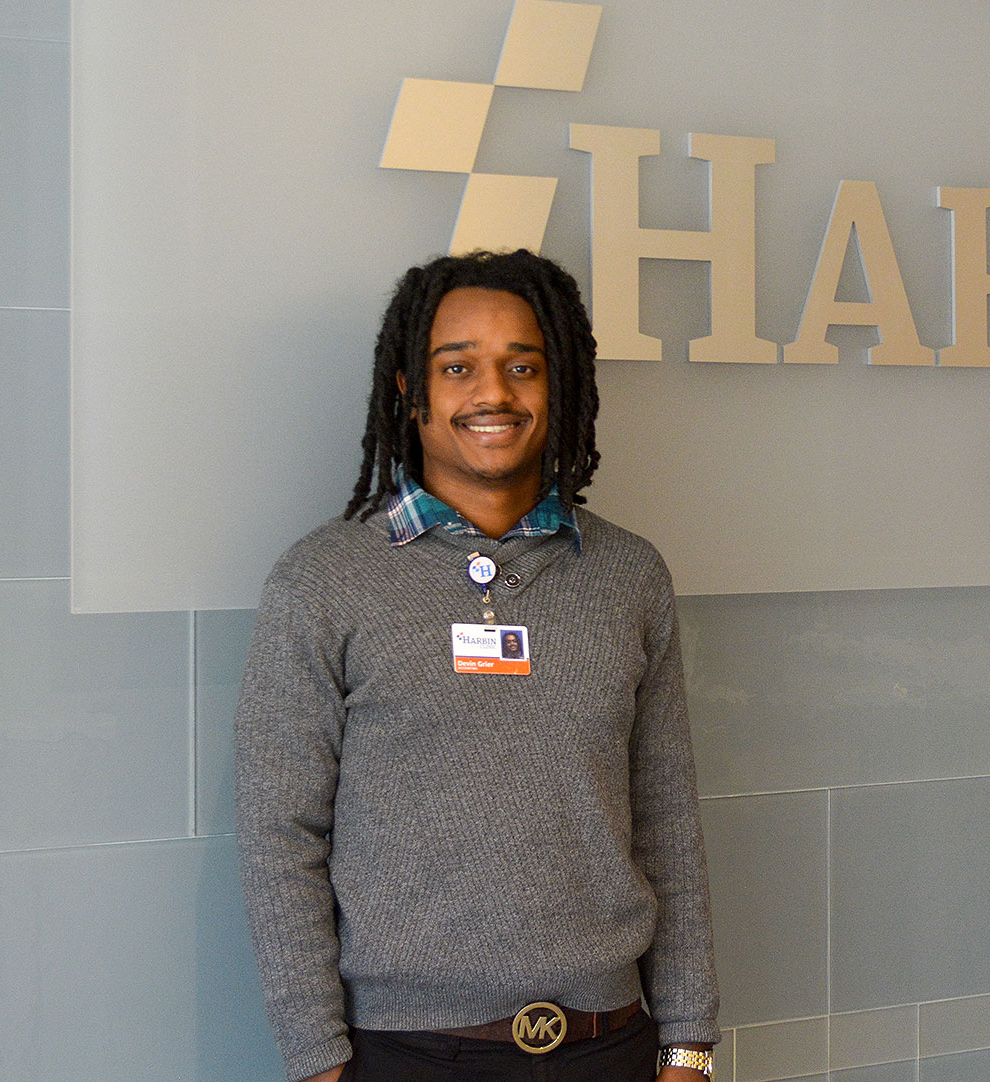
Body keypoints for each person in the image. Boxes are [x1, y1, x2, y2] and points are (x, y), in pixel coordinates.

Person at [235, 249, 718, 1082]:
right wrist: (316, 1060)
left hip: (612, 1043)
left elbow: (666, 820)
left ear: (558, 386)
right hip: (406, 1053)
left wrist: (689, 1046)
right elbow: (280, 836)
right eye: (457, 367)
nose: (493, 393)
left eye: (522, 367)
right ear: (408, 391)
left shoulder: (629, 576)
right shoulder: (322, 580)